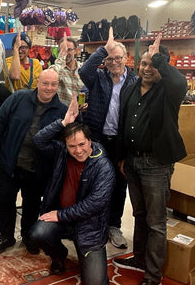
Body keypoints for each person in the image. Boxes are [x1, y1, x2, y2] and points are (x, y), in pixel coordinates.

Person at [113, 34, 187, 285]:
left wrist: (159, 58)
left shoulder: (169, 90)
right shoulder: (133, 87)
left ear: (162, 67)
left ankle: (153, 275)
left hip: (156, 164)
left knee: (156, 222)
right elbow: (124, 123)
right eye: (143, 63)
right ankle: (140, 259)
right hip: (133, 161)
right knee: (139, 215)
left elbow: (179, 81)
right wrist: (123, 157)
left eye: (152, 64)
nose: (146, 68)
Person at [29, 95, 115, 284]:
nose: (78, 150)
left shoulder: (104, 167)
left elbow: (93, 205)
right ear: (66, 146)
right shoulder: (61, 152)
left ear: (90, 141)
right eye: (72, 146)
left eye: (82, 144)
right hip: (63, 221)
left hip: (89, 229)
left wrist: (60, 215)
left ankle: (86, 254)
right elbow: (39, 140)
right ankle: (59, 254)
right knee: (37, 234)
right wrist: (63, 123)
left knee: (95, 283)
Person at [0, 69, 67, 255]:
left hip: (38, 169)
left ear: (58, 86)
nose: (48, 88)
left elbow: (64, 142)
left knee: (32, 204)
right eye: (45, 83)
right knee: (6, 201)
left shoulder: (62, 111)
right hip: (10, 162)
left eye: (53, 84)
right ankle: (6, 236)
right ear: (37, 83)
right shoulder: (18, 98)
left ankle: (28, 236)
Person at [79, 27, 137, 249]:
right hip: (98, 139)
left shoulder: (134, 82)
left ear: (126, 59)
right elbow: (85, 70)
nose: (114, 62)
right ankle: (94, 224)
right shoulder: (98, 78)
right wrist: (104, 48)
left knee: (118, 185)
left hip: (121, 142)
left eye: (118, 58)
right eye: (110, 59)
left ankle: (114, 225)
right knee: (94, 183)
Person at [49, 34, 84, 107]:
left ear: (75, 51)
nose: (66, 53)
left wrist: (84, 103)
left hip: (79, 115)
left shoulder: (83, 69)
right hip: (60, 114)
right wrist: (61, 59)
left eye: (69, 50)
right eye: (63, 50)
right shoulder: (54, 69)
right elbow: (51, 79)